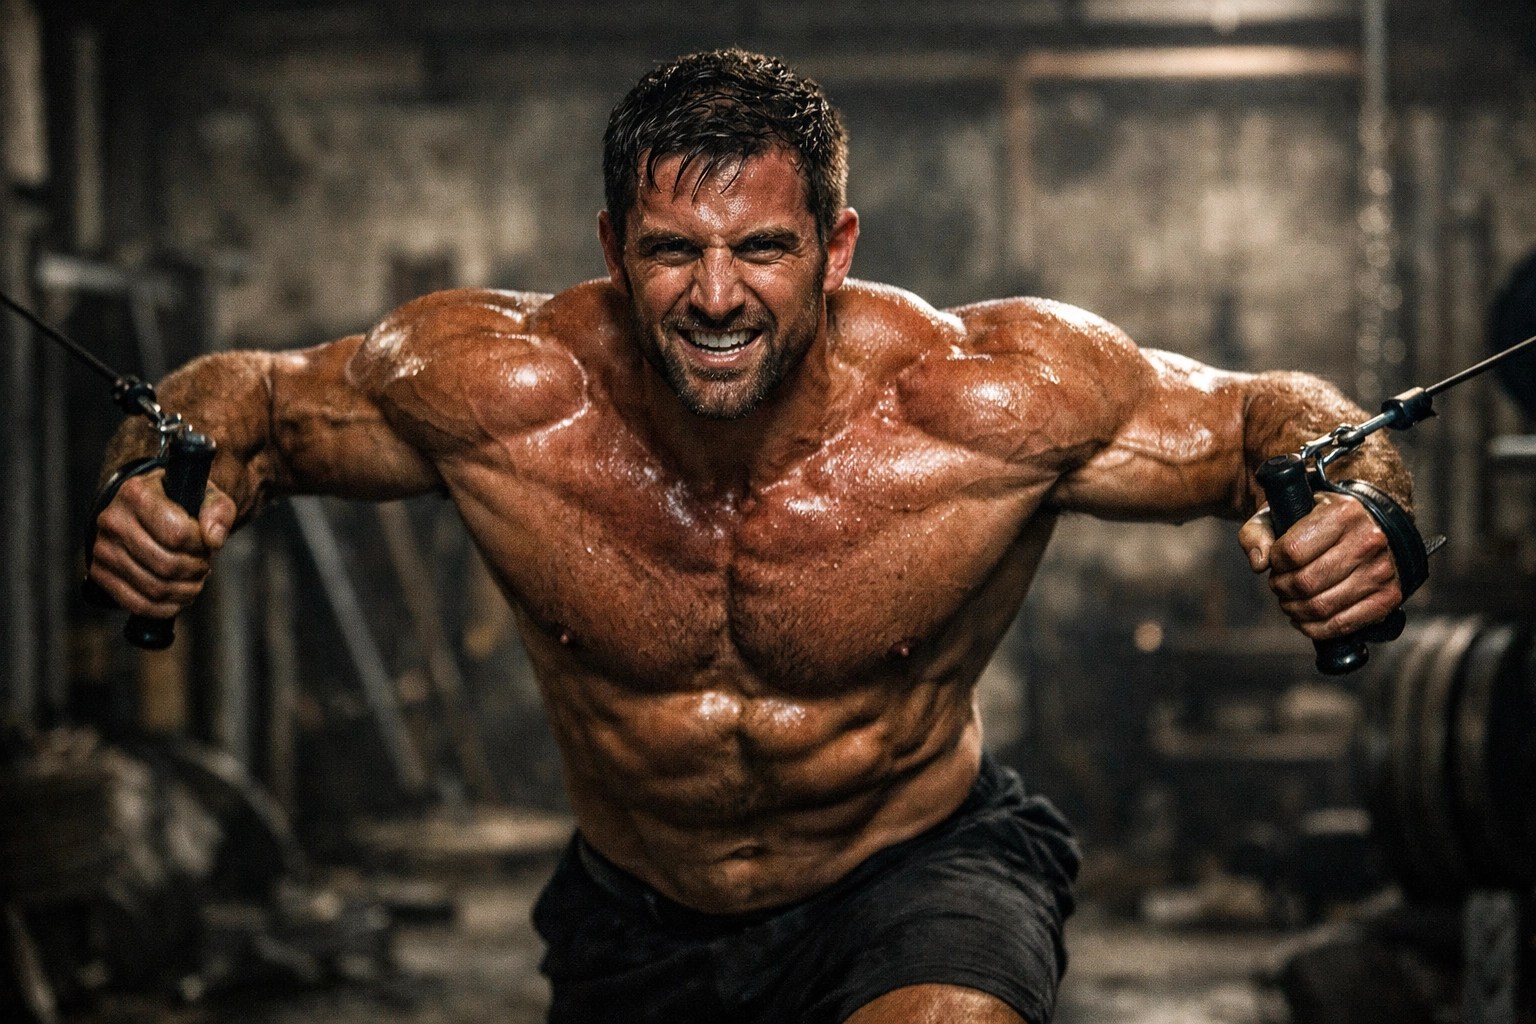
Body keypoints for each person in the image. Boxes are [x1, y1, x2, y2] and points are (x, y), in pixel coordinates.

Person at [88, 48, 1412, 1024]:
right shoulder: (503, 392)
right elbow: (239, 399)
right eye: (672, 251)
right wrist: (153, 481)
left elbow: (1268, 421)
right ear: (614, 247)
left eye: (763, 249)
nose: (716, 298)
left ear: (834, 249)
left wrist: (1361, 510)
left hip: (913, 872)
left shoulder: (986, 402)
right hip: (635, 916)